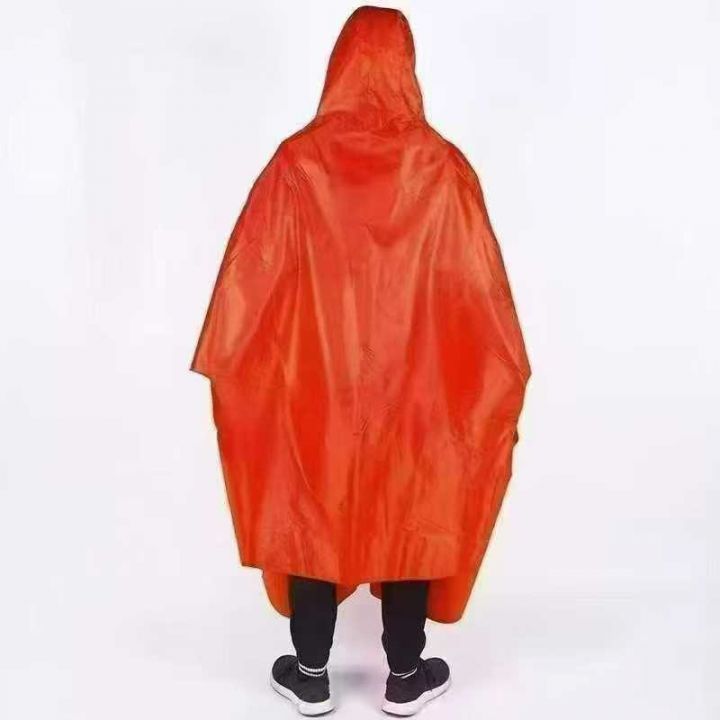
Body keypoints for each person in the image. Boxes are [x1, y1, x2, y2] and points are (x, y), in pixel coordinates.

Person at [191, 5, 530, 716]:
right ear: (407, 67)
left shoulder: (297, 162)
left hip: (316, 388)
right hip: (417, 390)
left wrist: (237, 363)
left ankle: (310, 672)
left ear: (338, 65)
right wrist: (485, 376)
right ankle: (405, 675)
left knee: (311, 502)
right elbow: (477, 291)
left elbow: (251, 281)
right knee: (412, 504)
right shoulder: (441, 168)